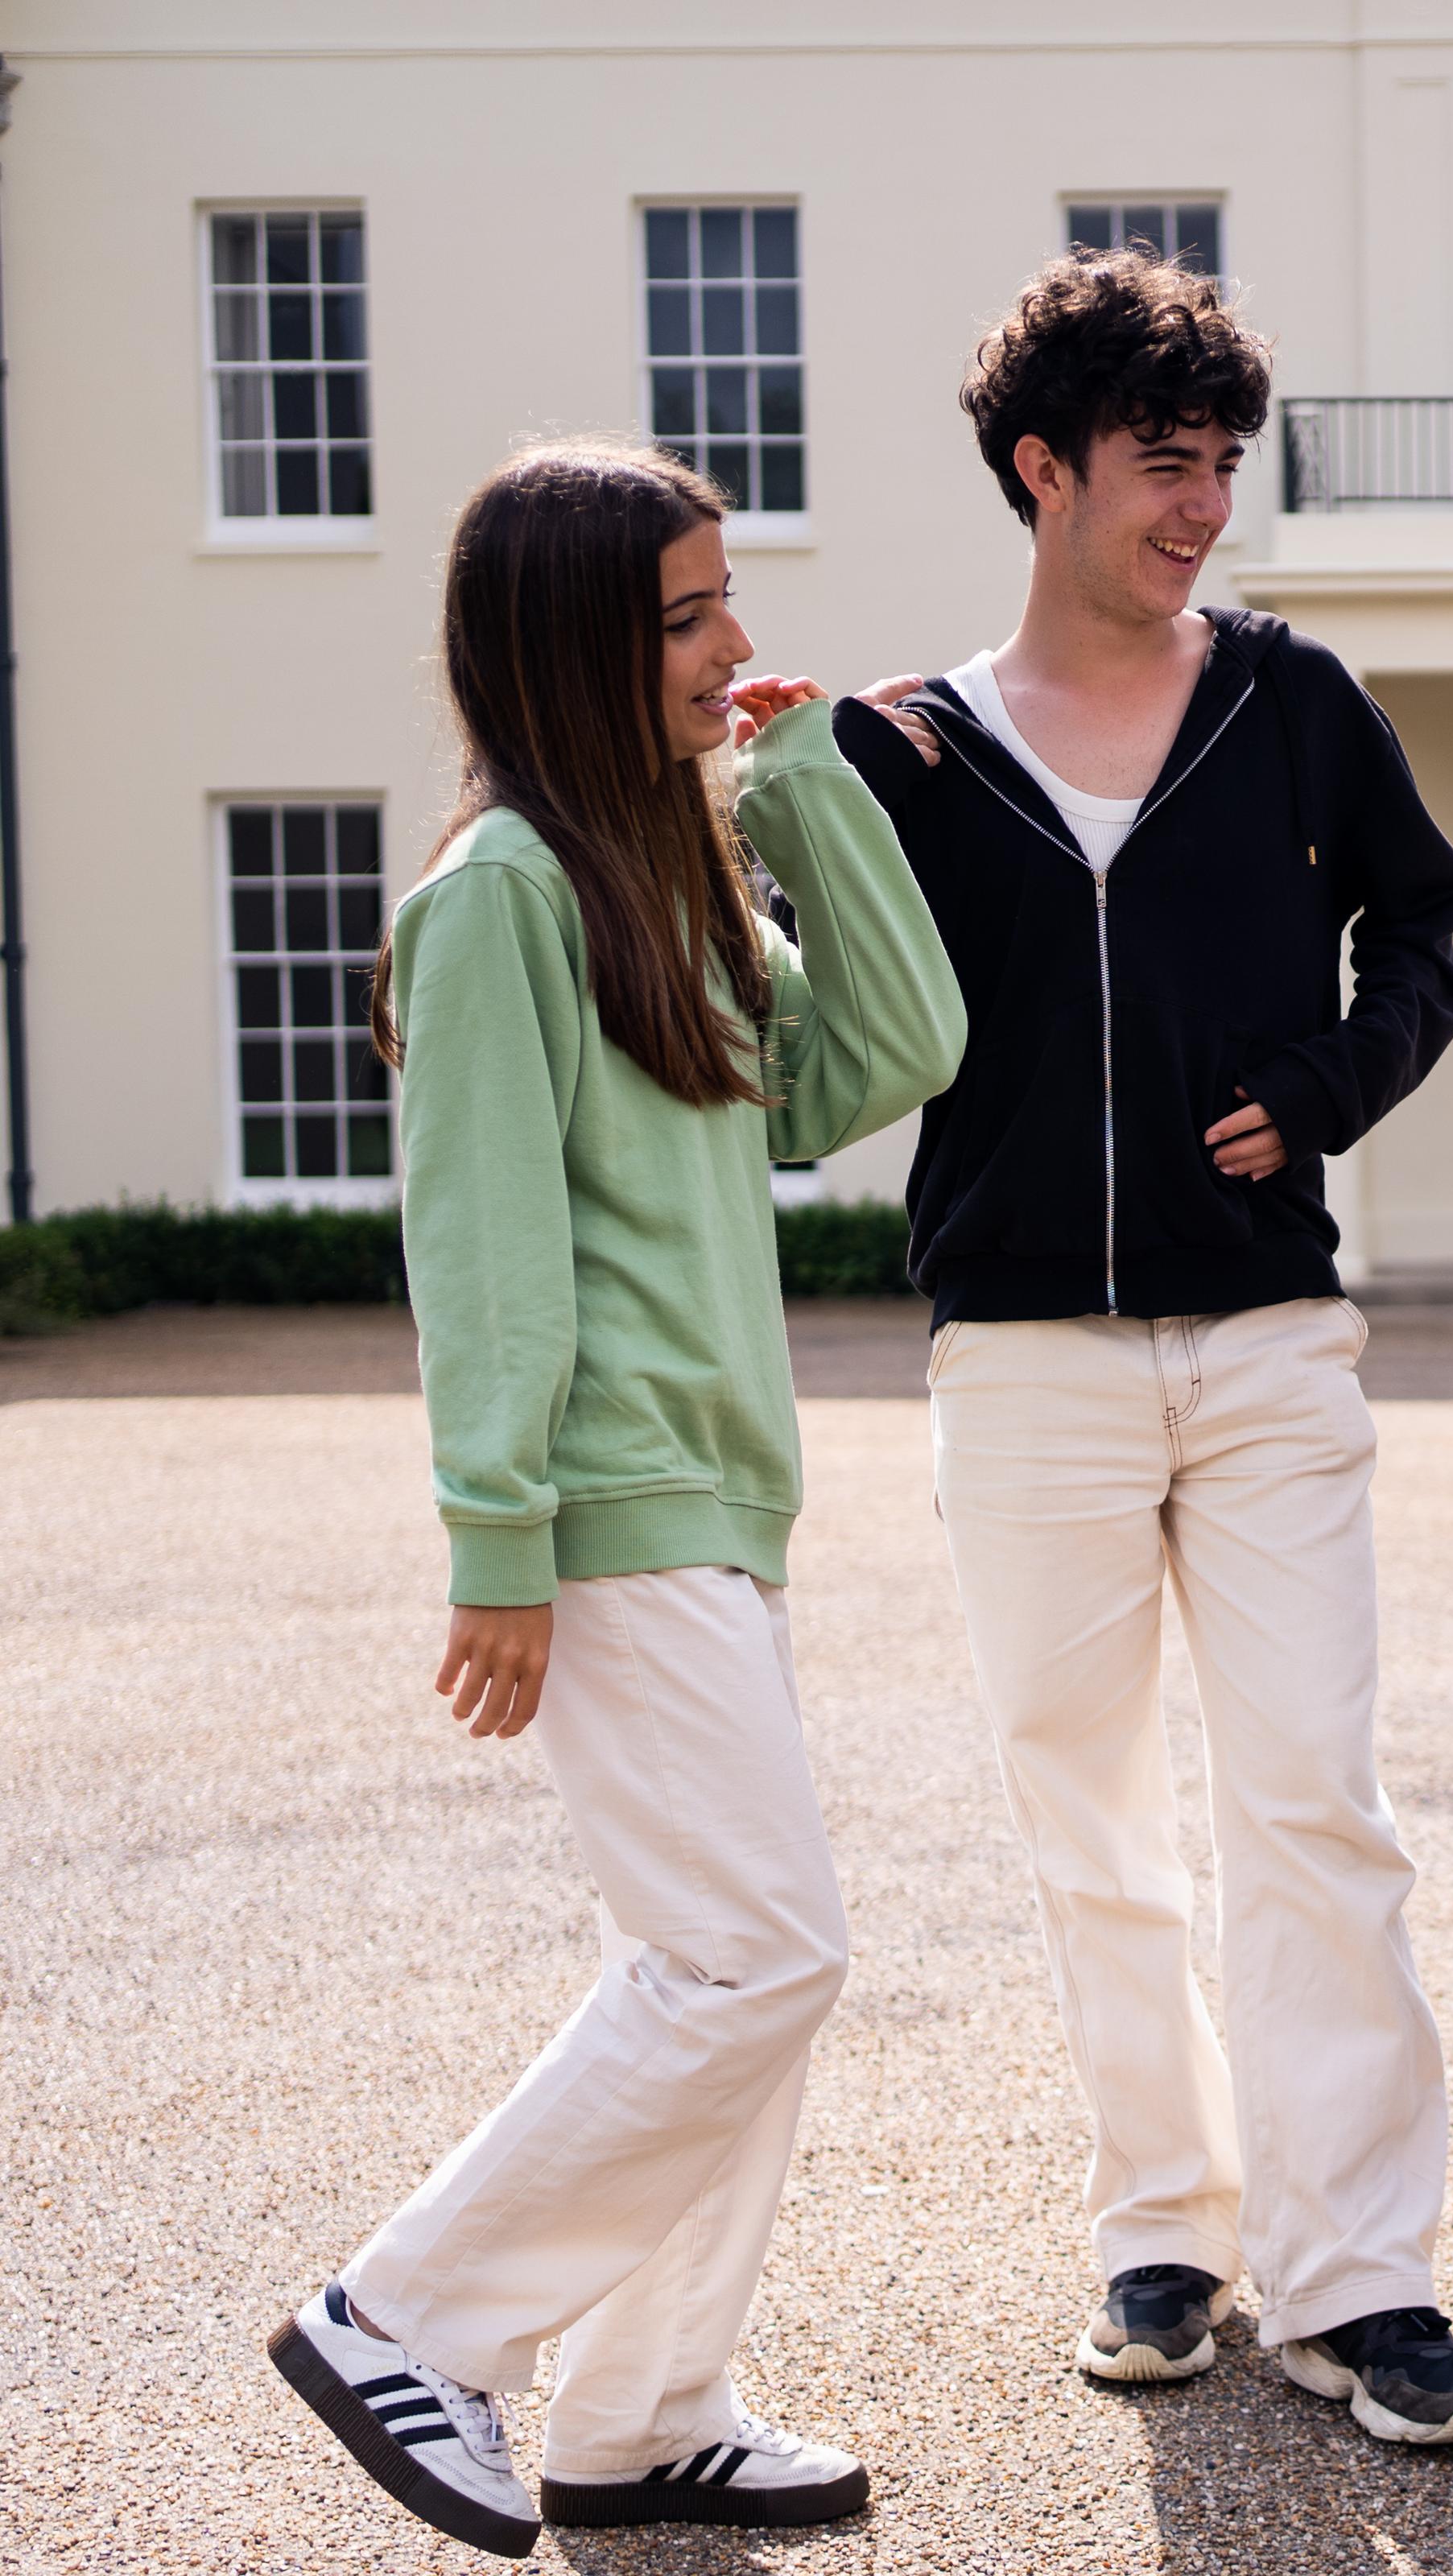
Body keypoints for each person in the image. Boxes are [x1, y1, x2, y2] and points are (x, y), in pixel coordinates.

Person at [828, 250, 1453, 2446]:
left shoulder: (1294, 702)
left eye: (1224, 462)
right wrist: (789, 794)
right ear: (1044, 470)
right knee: (1091, 1817)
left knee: (1317, 1800)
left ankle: (1363, 2283)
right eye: (1161, 465)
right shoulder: (908, 750)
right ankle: (1165, 2235)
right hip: (1021, 1354)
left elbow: (1426, 938)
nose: (1205, 505)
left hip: (1271, 1343)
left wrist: (1323, 1085)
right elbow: (813, 989)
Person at [267, 440, 966, 2557]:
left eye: (725, 599)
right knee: (755, 1962)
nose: (733, 642)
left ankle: (644, 2417)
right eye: (688, 615)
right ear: (578, 642)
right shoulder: (494, 902)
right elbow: (482, 1250)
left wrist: (804, 788)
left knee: (727, 1962)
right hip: (613, 1504)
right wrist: (501, 1545)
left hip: (721, 1505)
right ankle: (404, 2317)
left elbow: (890, 1054)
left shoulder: (662, 877)